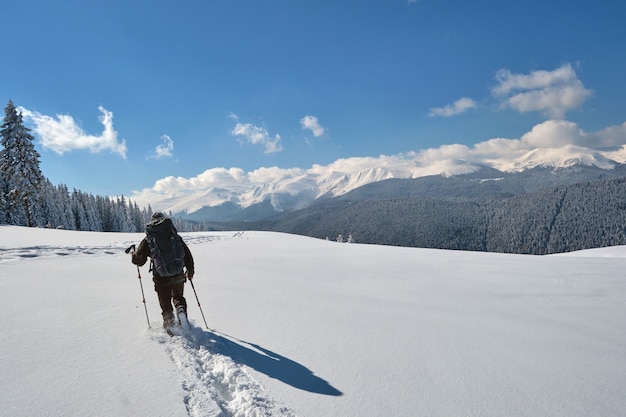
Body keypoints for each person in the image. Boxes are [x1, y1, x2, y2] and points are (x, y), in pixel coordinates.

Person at [131, 212, 194, 328]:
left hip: (161, 278)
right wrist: (190, 270)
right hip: (178, 275)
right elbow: (187, 254)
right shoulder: (174, 236)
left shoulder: (149, 239)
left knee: (165, 302)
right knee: (178, 297)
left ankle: (169, 323)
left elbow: (139, 261)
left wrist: (133, 255)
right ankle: (181, 310)